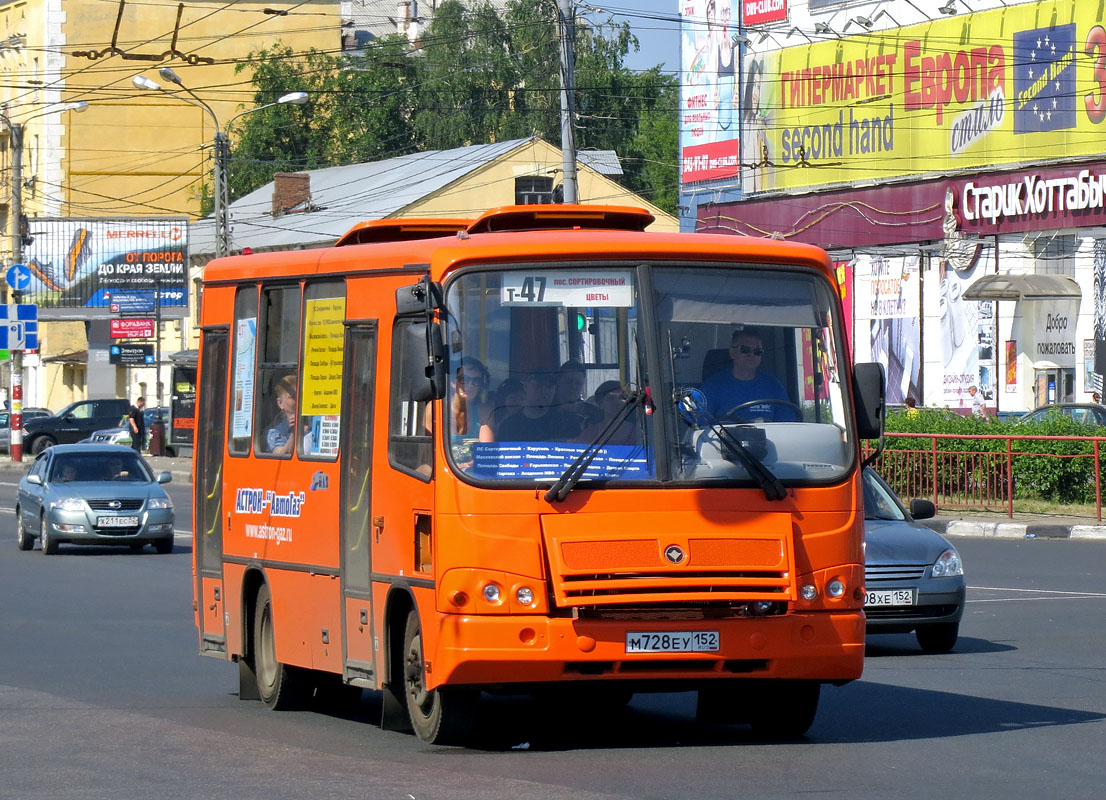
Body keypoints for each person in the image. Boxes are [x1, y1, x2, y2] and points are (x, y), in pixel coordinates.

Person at [700, 328, 798, 421]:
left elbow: (788, 422)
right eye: (745, 349)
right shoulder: (713, 386)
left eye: (757, 351)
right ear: (732, 353)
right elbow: (701, 426)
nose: (751, 354)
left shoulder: (773, 385)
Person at [494, 370, 582, 442]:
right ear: (526, 386)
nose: (544, 391)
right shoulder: (509, 427)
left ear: (555, 389)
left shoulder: (568, 423)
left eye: (549, 386)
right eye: (538, 385)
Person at [266, 375, 298, 455]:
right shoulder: (276, 432)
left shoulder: (315, 424)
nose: (299, 400)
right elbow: (281, 455)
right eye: (293, 397)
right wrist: (295, 433)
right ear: (280, 403)